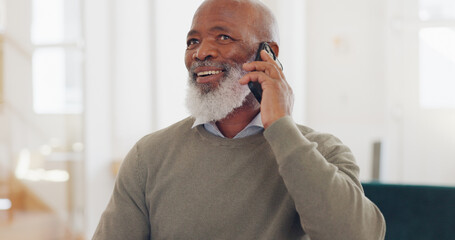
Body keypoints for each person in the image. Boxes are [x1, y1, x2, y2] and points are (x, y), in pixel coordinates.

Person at [93, 0, 386, 239]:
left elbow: (357, 235)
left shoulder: (321, 151)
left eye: (223, 37)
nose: (201, 52)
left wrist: (281, 126)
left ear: (268, 53)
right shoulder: (149, 155)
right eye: (192, 41)